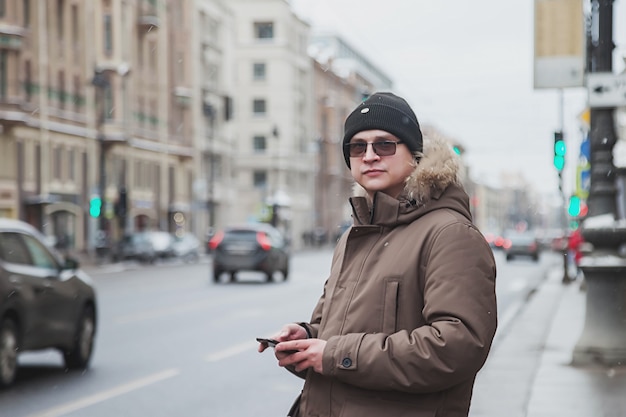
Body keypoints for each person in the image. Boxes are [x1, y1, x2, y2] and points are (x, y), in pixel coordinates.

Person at [258, 92, 498, 417]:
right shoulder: (353, 236)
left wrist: (334, 354)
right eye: (358, 147)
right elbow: (337, 336)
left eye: (384, 144)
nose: (369, 155)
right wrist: (306, 339)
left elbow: (457, 346)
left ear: (413, 153)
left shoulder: (450, 234)